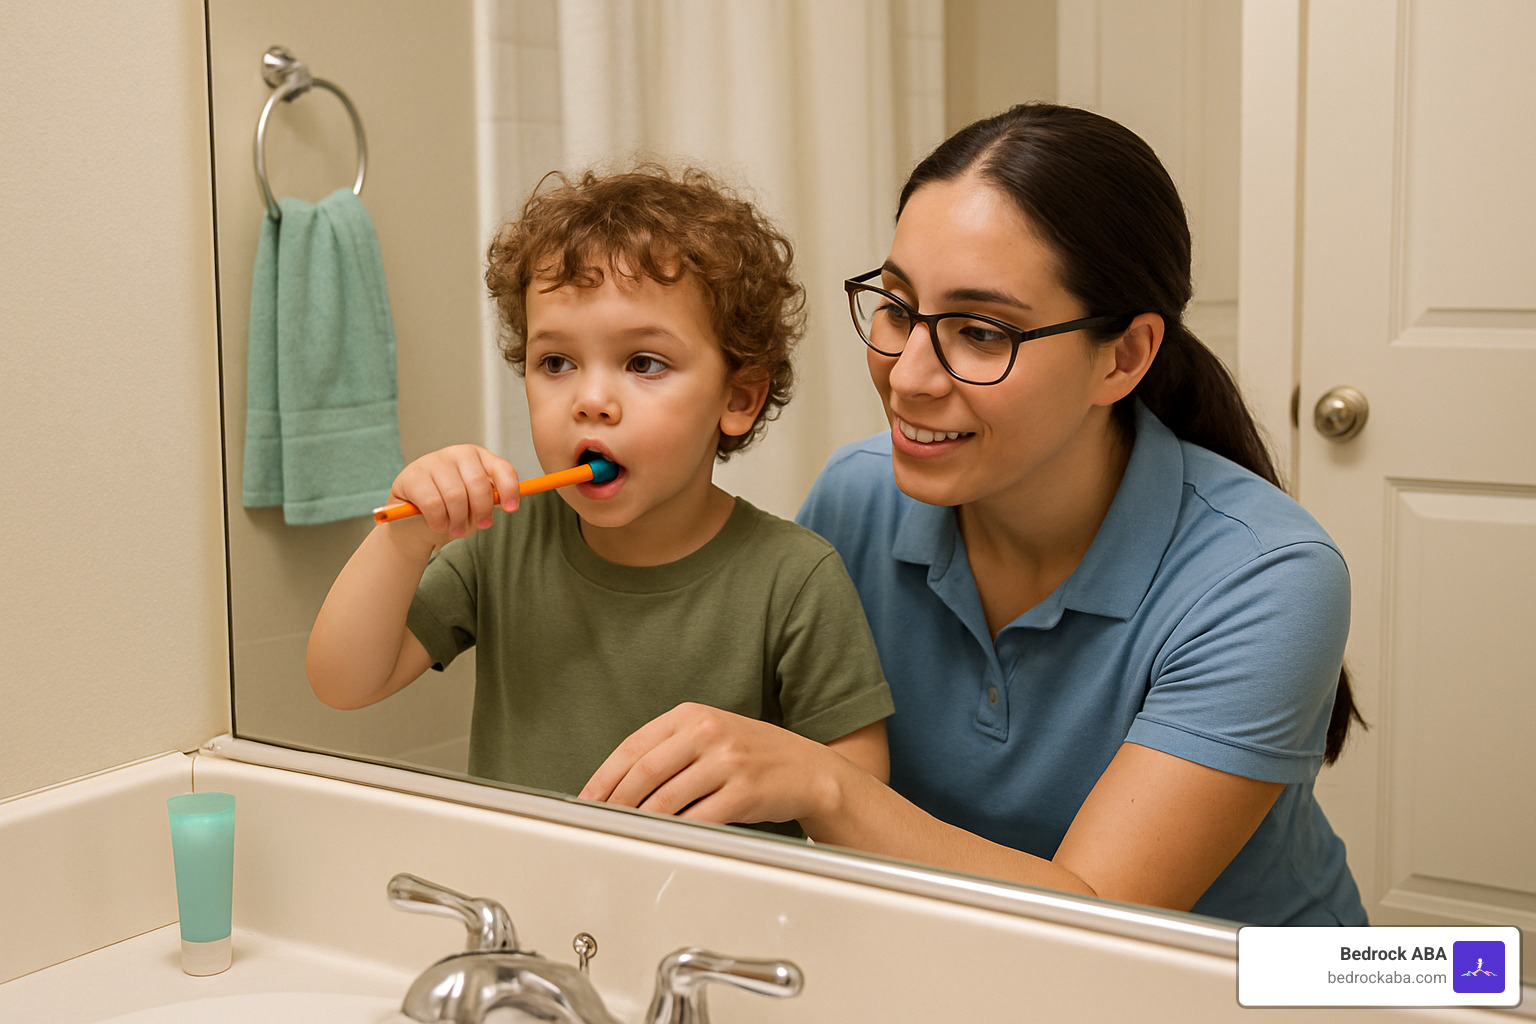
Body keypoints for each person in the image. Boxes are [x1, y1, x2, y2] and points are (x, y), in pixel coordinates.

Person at [580, 105, 1368, 925]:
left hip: (1275, 981)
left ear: (1124, 356)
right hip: (966, 956)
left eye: (982, 332)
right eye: (895, 307)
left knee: (1466, 976)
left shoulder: (1267, 576)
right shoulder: (858, 498)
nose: (909, 376)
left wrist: (824, 786)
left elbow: (1099, 921)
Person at [306, 165, 893, 821]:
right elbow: (342, 682)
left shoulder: (794, 579)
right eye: (555, 362)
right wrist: (404, 539)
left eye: (643, 362)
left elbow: (859, 800)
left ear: (738, 398)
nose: (590, 401)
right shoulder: (501, 540)